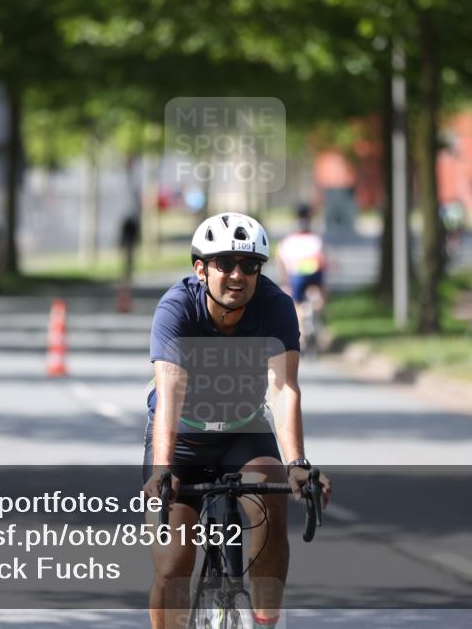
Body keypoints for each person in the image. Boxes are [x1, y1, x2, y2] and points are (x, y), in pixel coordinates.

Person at [142, 212, 331, 629]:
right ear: (201, 269)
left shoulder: (275, 306)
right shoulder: (177, 308)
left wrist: (298, 464)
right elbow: (170, 392)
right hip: (184, 438)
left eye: (249, 266)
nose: (237, 275)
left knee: (272, 499)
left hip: (243, 431)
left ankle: (263, 620)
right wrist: (162, 469)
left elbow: (283, 388)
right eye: (225, 263)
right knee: (173, 566)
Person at [275, 203, 328, 343]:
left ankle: (301, 336)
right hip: (315, 271)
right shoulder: (315, 238)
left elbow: (281, 261)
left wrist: (284, 281)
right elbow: (323, 259)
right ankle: (319, 313)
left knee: (297, 304)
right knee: (319, 293)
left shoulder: (288, 241)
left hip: (297, 274)